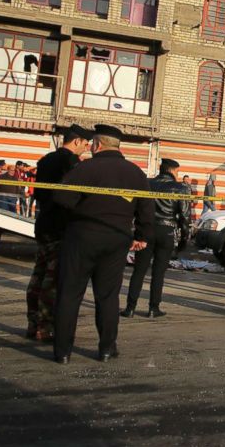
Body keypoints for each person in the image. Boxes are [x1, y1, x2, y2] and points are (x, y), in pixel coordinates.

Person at [52, 125, 154, 363]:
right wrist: (141, 236)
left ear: (97, 145)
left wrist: (80, 213)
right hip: (117, 239)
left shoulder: (85, 168)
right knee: (108, 296)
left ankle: (63, 352)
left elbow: (61, 198)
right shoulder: (135, 173)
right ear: (118, 146)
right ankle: (107, 348)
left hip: (81, 236)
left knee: (69, 293)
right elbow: (147, 209)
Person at [25, 124, 92, 342]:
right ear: (76, 142)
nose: (86, 148)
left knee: (38, 275)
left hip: (43, 223)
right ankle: (45, 327)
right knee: (52, 280)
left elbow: (39, 193)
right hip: (61, 226)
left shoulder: (45, 160)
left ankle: (33, 322)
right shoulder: (71, 163)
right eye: (85, 144)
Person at [122, 158, 191, 319]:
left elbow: (134, 206)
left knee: (139, 270)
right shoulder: (181, 188)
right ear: (173, 171)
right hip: (166, 231)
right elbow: (185, 216)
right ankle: (154, 308)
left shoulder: (147, 183)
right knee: (158, 272)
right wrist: (184, 239)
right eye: (177, 171)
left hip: (146, 230)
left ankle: (130, 308)